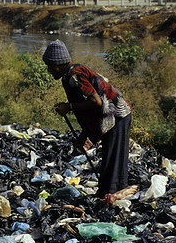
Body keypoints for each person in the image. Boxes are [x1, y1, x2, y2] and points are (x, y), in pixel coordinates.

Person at [42, 40, 132, 198]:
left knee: (113, 157)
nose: (49, 70)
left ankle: (110, 194)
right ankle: (111, 192)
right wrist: (84, 137)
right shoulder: (69, 75)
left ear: (57, 64)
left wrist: (68, 107)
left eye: (50, 66)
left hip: (117, 115)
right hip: (110, 116)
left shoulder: (74, 75)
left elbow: (95, 101)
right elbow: (89, 111)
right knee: (112, 156)